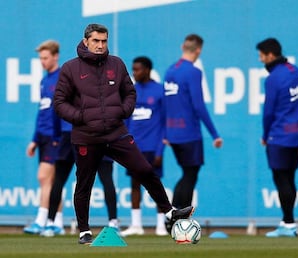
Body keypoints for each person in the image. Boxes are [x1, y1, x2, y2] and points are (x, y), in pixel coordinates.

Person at [53, 23, 194, 245]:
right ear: (86, 41)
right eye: (96, 41)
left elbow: (129, 92)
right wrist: (80, 117)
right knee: (84, 184)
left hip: (115, 133)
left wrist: (122, 110)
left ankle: (170, 212)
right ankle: (84, 231)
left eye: (104, 41)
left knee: (145, 169)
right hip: (86, 137)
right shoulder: (70, 68)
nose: (100, 45)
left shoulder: (116, 64)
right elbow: (59, 103)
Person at [256, 38, 298, 237]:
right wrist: (293, 110)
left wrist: (265, 136)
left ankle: (288, 224)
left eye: (261, 56)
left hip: (279, 136)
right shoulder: (297, 71)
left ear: (270, 55)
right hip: (297, 135)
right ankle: (288, 222)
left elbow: (268, 113)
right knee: (290, 179)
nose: (261, 60)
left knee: (281, 179)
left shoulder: (273, 78)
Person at [163, 34, 223, 213]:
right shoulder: (193, 72)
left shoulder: (170, 70)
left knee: (186, 174)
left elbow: (166, 103)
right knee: (190, 175)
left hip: (173, 133)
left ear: (183, 46)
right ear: (199, 50)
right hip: (189, 133)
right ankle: (181, 219)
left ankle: (172, 214)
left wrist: (165, 133)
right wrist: (215, 134)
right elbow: (199, 105)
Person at [40, 117, 120, 237]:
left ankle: (50, 224)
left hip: (69, 132)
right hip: (97, 134)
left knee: (60, 179)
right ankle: (113, 223)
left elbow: (57, 110)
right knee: (106, 177)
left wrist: (57, 136)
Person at [121, 56, 168, 237]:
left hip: (152, 147)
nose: (135, 73)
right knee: (134, 185)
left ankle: (161, 226)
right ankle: (136, 224)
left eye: (138, 69)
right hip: (134, 147)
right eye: (133, 69)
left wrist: (160, 151)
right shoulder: (130, 91)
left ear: (147, 70)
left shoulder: (159, 90)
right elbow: (126, 121)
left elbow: (164, 123)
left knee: (156, 185)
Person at [24, 40, 63, 235]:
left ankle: (42, 219)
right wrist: (34, 139)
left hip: (56, 136)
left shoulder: (63, 78)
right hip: (43, 136)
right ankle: (57, 222)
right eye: (40, 58)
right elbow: (42, 111)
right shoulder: (44, 80)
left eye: (45, 58)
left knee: (44, 177)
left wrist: (59, 134)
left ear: (55, 56)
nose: (42, 62)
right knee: (51, 180)